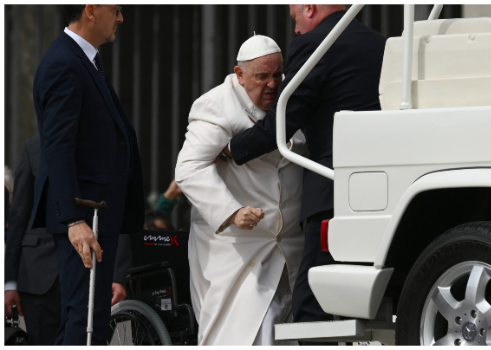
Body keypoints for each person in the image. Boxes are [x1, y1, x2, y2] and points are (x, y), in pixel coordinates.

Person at [222, 4, 386, 334]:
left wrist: (229, 149)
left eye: (294, 18)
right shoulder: (380, 43)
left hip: (331, 193)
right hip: (381, 191)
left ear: (309, 8)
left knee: (312, 306)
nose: (296, 29)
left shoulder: (314, 44)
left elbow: (283, 120)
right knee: (370, 309)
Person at [175, 35, 307, 345]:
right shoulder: (216, 105)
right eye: (262, 77)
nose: (273, 84)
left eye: (278, 74)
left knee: (282, 335)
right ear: (240, 74)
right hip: (236, 249)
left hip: (287, 247)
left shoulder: (292, 99)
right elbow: (189, 168)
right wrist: (232, 211)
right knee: (237, 333)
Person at [28, 5, 144, 345]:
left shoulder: (84, 59)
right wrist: (74, 220)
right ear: (91, 10)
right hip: (85, 219)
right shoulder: (65, 63)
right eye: (116, 10)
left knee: (89, 318)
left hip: (96, 217)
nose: (121, 18)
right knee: (84, 320)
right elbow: (58, 149)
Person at [4, 136, 133, 345]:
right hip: (38, 275)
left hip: (90, 269)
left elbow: (117, 213)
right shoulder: (33, 147)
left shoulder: (105, 147)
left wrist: (118, 275)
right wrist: (9, 282)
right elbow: (19, 217)